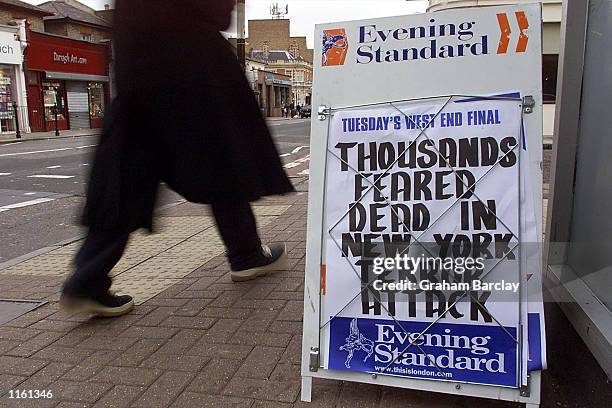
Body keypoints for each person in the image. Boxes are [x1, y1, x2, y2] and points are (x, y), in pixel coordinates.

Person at [60, 0, 294, 318]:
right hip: (193, 66)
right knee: (221, 158)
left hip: (137, 68)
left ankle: (86, 281)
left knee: (127, 175)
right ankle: (246, 255)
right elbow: (216, 13)